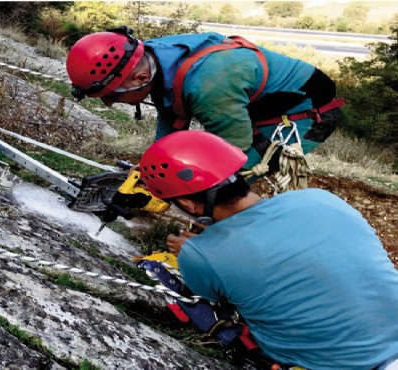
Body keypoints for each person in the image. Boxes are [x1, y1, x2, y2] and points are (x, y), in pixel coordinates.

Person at [136, 129, 398, 369]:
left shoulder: (199, 255)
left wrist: (193, 249)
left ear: (187, 204)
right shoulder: (319, 197)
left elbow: (213, 293)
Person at [66, 27, 344, 186]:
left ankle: (216, 245)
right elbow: (171, 119)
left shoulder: (207, 87)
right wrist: (151, 168)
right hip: (255, 103)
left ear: (140, 78)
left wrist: (194, 187)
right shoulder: (153, 58)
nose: (108, 102)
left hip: (308, 111)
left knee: (229, 179)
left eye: (111, 94)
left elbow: (231, 150)